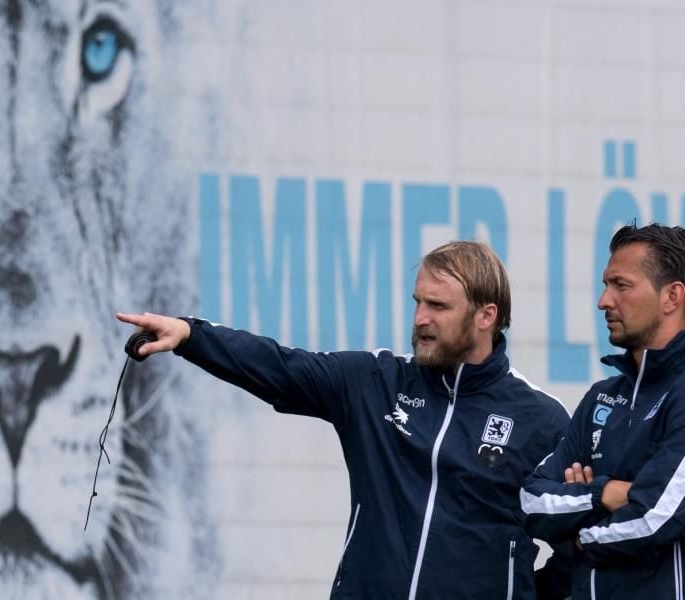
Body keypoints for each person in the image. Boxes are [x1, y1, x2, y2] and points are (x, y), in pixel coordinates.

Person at [118, 240, 571, 599]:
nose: (420, 319)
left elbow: (578, 542)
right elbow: (281, 367)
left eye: (438, 306)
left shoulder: (541, 419)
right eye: (418, 302)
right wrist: (191, 336)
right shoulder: (374, 382)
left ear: (485, 316)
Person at [521, 223, 685, 599]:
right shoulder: (601, 397)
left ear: (672, 296)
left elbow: (655, 518)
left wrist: (581, 536)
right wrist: (604, 494)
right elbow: (531, 500)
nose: (604, 301)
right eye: (605, 285)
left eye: (621, 285)